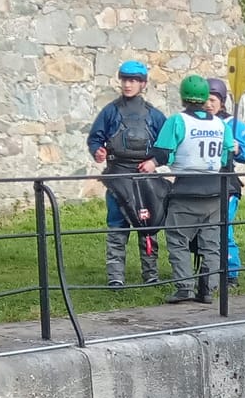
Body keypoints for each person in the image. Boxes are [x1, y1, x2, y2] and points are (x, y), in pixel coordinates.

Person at [152, 75, 234, 304]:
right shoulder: (220, 123)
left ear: (183, 96)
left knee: (177, 237)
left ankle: (185, 287)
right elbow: (228, 156)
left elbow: (163, 153)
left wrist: (152, 162)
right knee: (211, 242)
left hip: (187, 190)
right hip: (216, 191)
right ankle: (208, 289)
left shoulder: (177, 121)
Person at [87, 59, 167, 288]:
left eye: (133, 80)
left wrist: (154, 161)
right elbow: (95, 138)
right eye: (124, 80)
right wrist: (98, 151)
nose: (128, 85)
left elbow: (167, 146)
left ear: (143, 84)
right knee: (117, 224)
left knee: (148, 224)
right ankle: (115, 276)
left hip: (145, 178)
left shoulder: (155, 116)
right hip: (117, 177)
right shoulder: (110, 112)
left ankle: (150, 274)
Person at [205, 79, 245, 286]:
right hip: (201, 184)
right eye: (205, 99)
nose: (209, 104)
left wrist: (237, 148)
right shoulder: (194, 122)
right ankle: (208, 269)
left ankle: (230, 272)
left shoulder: (233, 125)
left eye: (213, 99)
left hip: (227, 185)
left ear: (222, 102)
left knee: (224, 228)